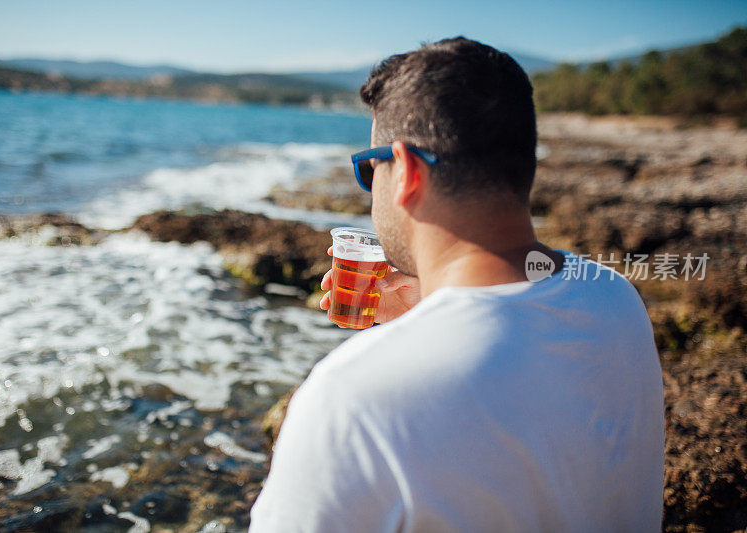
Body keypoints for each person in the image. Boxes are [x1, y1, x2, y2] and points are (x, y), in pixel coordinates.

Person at [249, 37, 664, 532]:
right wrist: (436, 304)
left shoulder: (353, 400)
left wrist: (437, 323)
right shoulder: (615, 297)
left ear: (404, 172)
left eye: (369, 169)